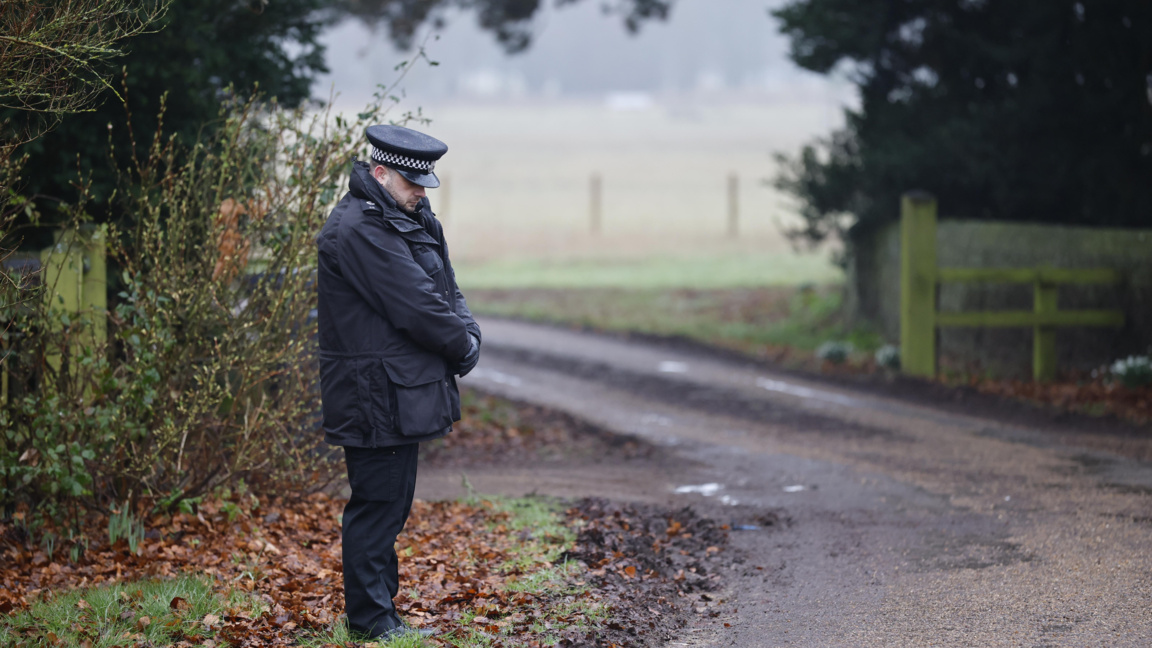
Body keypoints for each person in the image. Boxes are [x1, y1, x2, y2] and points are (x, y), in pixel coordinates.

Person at [315, 124, 481, 641]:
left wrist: (467, 328)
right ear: (379, 172)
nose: (422, 191)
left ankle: (382, 616)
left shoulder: (402, 214)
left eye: (426, 182)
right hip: (374, 394)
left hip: (395, 391)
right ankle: (371, 625)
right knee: (377, 510)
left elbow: (444, 286)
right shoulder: (360, 229)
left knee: (389, 508)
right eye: (413, 181)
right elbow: (416, 305)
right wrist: (463, 344)